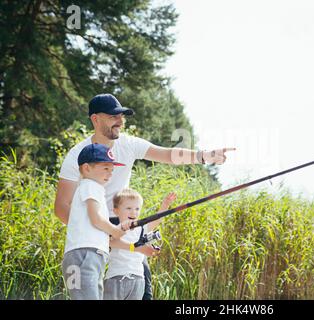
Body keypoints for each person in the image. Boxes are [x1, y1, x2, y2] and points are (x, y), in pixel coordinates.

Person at [54, 93, 236, 300]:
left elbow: (167, 155)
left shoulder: (129, 144)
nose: (120, 121)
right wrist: (99, 233)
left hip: (125, 227)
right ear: (95, 119)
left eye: (122, 116)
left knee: (144, 292)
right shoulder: (77, 155)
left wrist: (203, 156)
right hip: (95, 234)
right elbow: (61, 207)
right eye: (114, 116)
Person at [62, 143, 133, 300]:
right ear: (87, 168)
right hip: (85, 255)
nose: (110, 173)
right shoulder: (91, 186)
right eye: (105, 168)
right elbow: (96, 218)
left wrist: (114, 232)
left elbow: (93, 223)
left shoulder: (91, 188)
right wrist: (115, 231)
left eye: (112, 170)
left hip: (89, 254)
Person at [104, 188, 176, 300]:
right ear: (116, 211)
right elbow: (110, 241)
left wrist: (165, 205)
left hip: (138, 279)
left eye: (137, 209)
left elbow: (157, 220)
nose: (134, 212)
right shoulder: (116, 229)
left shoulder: (141, 229)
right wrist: (135, 247)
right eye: (128, 208)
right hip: (116, 278)